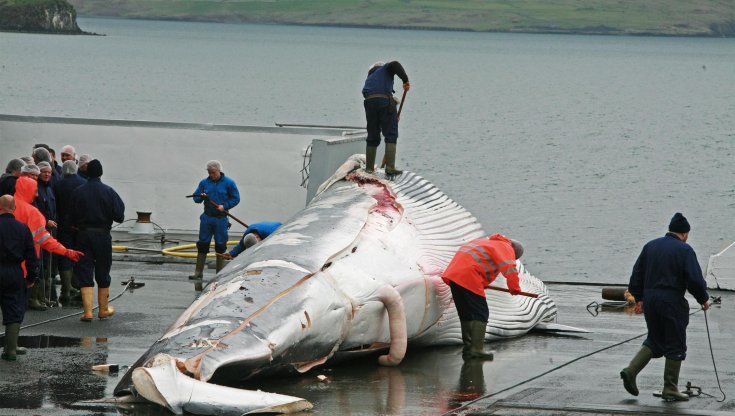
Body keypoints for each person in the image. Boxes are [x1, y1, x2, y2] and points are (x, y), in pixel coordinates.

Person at [620, 212, 711, 402]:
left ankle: (631, 370)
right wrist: (703, 299)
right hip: (671, 302)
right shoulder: (685, 250)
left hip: (651, 301)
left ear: (670, 229)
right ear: (685, 234)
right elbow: (694, 280)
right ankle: (670, 388)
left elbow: (636, 274)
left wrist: (639, 298)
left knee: (655, 340)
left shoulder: (650, 246)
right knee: (675, 343)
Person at [442, 234, 524, 360]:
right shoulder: (506, 247)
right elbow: (509, 268)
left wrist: (483, 284)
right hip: (469, 277)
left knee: (466, 313)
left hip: (454, 276)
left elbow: (480, 264)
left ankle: (468, 349)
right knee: (481, 313)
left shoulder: (485, 242)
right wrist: (515, 288)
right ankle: (476, 350)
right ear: (514, 250)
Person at [12, 177, 83, 311]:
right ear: (28, 190)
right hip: (24, 266)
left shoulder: (6, 206)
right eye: (35, 191)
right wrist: (67, 252)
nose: (37, 194)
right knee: (15, 311)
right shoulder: (32, 213)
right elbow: (45, 240)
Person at [69, 160, 125, 321]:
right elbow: (119, 216)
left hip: (83, 235)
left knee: (84, 269)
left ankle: (87, 312)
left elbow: (70, 217)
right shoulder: (109, 192)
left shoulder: (77, 192)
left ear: (86, 173)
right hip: (102, 235)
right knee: (103, 269)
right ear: (100, 173)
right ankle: (103, 309)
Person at [0, 195, 40, 361]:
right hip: (13, 272)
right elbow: (31, 256)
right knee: (14, 310)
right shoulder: (22, 229)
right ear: (14, 208)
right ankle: (11, 349)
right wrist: (31, 277)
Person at [191, 160, 240, 278]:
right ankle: (198, 273)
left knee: (221, 245)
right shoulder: (204, 183)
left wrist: (225, 206)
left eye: (213, 173)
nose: (211, 175)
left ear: (219, 171)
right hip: (207, 218)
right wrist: (200, 196)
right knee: (202, 244)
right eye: (209, 173)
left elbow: (236, 198)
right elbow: (196, 198)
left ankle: (219, 275)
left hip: (221, 219)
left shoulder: (229, 183)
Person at [361, 61, 410, 175]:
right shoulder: (385, 68)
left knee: (373, 135)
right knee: (391, 134)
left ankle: (369, 169)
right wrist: (405, 80)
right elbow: (395, 64)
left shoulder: (370, 78)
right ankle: (390, 168)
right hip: (384, 102)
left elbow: (375, 96)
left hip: (369, 103)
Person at [53, 160, 86, 305]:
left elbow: (55, 206)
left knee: (65, 255)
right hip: (79, 226)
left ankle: (66, 289)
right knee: (79, 254)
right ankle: (78, 285)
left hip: (63, 226)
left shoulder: (58, 184)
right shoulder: (83, 183)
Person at [34, 162, 59, 308]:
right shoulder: (36, 189)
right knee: (40, 263)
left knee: (47, 264)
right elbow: (35, 210)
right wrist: (45, 221)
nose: (47, 174)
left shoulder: (49, 188)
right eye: (44, 172)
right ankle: (37, 298)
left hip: (49, 231)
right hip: (40, 230)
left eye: (49, 172)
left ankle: (45, 296)